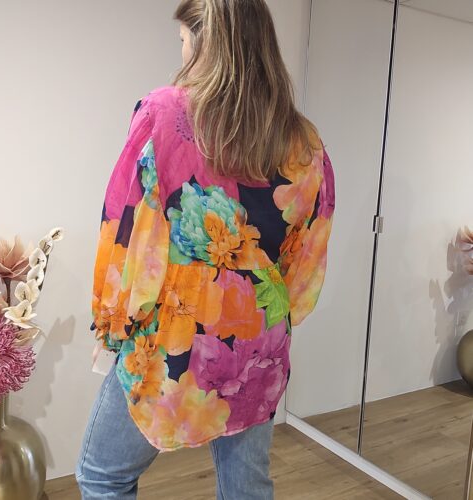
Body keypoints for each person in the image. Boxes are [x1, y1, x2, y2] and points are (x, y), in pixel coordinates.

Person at [75, 0, 335, 498]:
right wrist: (266, 315)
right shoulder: (304, 141)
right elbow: (306, 257)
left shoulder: (164, 113)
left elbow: (129, 232)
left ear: (205, 42)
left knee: (102, 475)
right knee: (246, 486)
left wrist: (113, 325)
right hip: (257, 340)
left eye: (183, 40)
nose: (182, 51)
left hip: (172, 338)